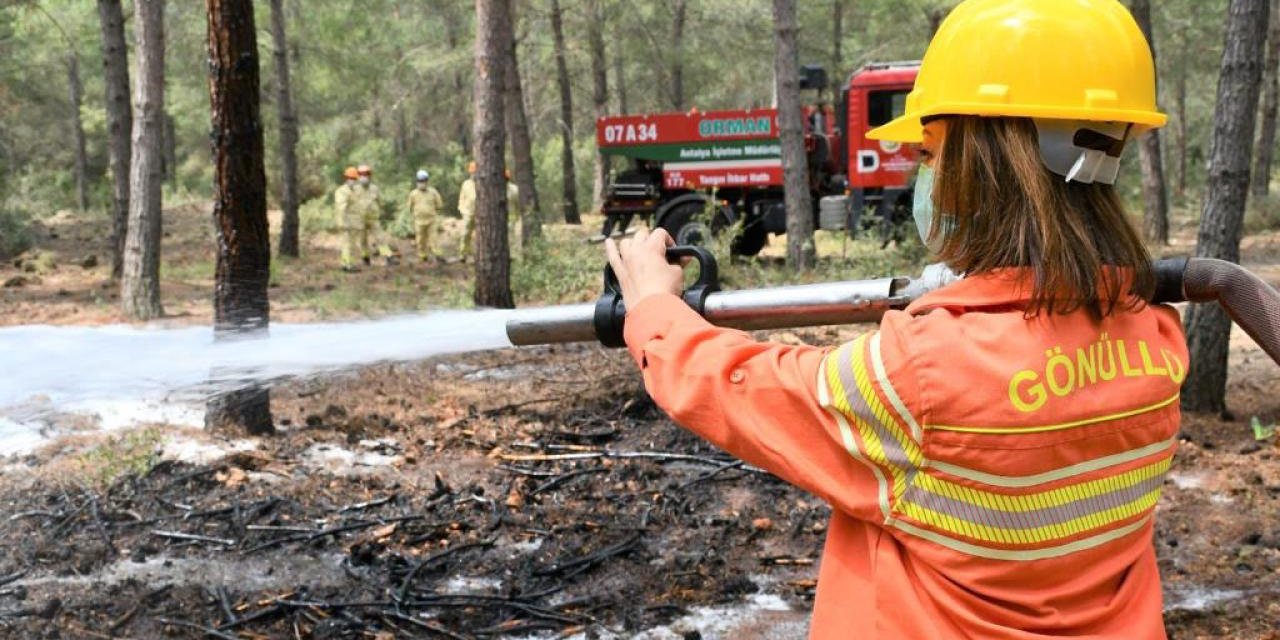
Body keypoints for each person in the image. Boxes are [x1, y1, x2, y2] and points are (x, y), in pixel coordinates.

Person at [604, 1, 1187, 637]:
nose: (922, 172)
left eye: (932, 151)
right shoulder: (1156, 338)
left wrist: (655, 309)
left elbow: (742, 387)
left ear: (988, 161)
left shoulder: (922, 374)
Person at [351, 164, 397, 266]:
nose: (364, 177)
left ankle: (389, 256)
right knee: (362, 239)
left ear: (370, 175)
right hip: (360, 219)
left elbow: (380, 202)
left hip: (373, 218)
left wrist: (384, 213)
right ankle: (365, 257)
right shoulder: (354, 189)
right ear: (358, 176)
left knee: (380, 237)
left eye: (366, 174)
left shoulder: (374, 188)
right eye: (362, 174)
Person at [407, 169, 444, 264]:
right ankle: (422, 256)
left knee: (434, 238)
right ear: (417, 182)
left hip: (432, 220)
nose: (422, 183)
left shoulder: (433, 192)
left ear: (427, 181)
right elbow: (409, 207)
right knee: (420, 239)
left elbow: (439, 205)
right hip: (419, 221)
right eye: (420, 181)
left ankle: (437, 255)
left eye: (423, 181)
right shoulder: (413, 194)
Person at [334, 166, 360, 272]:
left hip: (353, 223)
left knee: (351, 245)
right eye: (351, 178)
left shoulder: (353, 191)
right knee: (347, 244)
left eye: (354, 179)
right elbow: (341, 208)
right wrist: (342, 222)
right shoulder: (342, 191)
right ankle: (347, 265)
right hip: (345, 222)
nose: (353, 181)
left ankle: (348, 263)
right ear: (346, 178)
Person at [457, 161, 477, 262]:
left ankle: (476, 255)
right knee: (465, 234)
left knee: (479, 237)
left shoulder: (483, 184)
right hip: (467, 213)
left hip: (480, 215)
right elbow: (461, 198)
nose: (474, 174)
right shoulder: (466, 184)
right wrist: (461, 209)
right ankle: (463, 254)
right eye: (472, 172)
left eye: (475, 172)